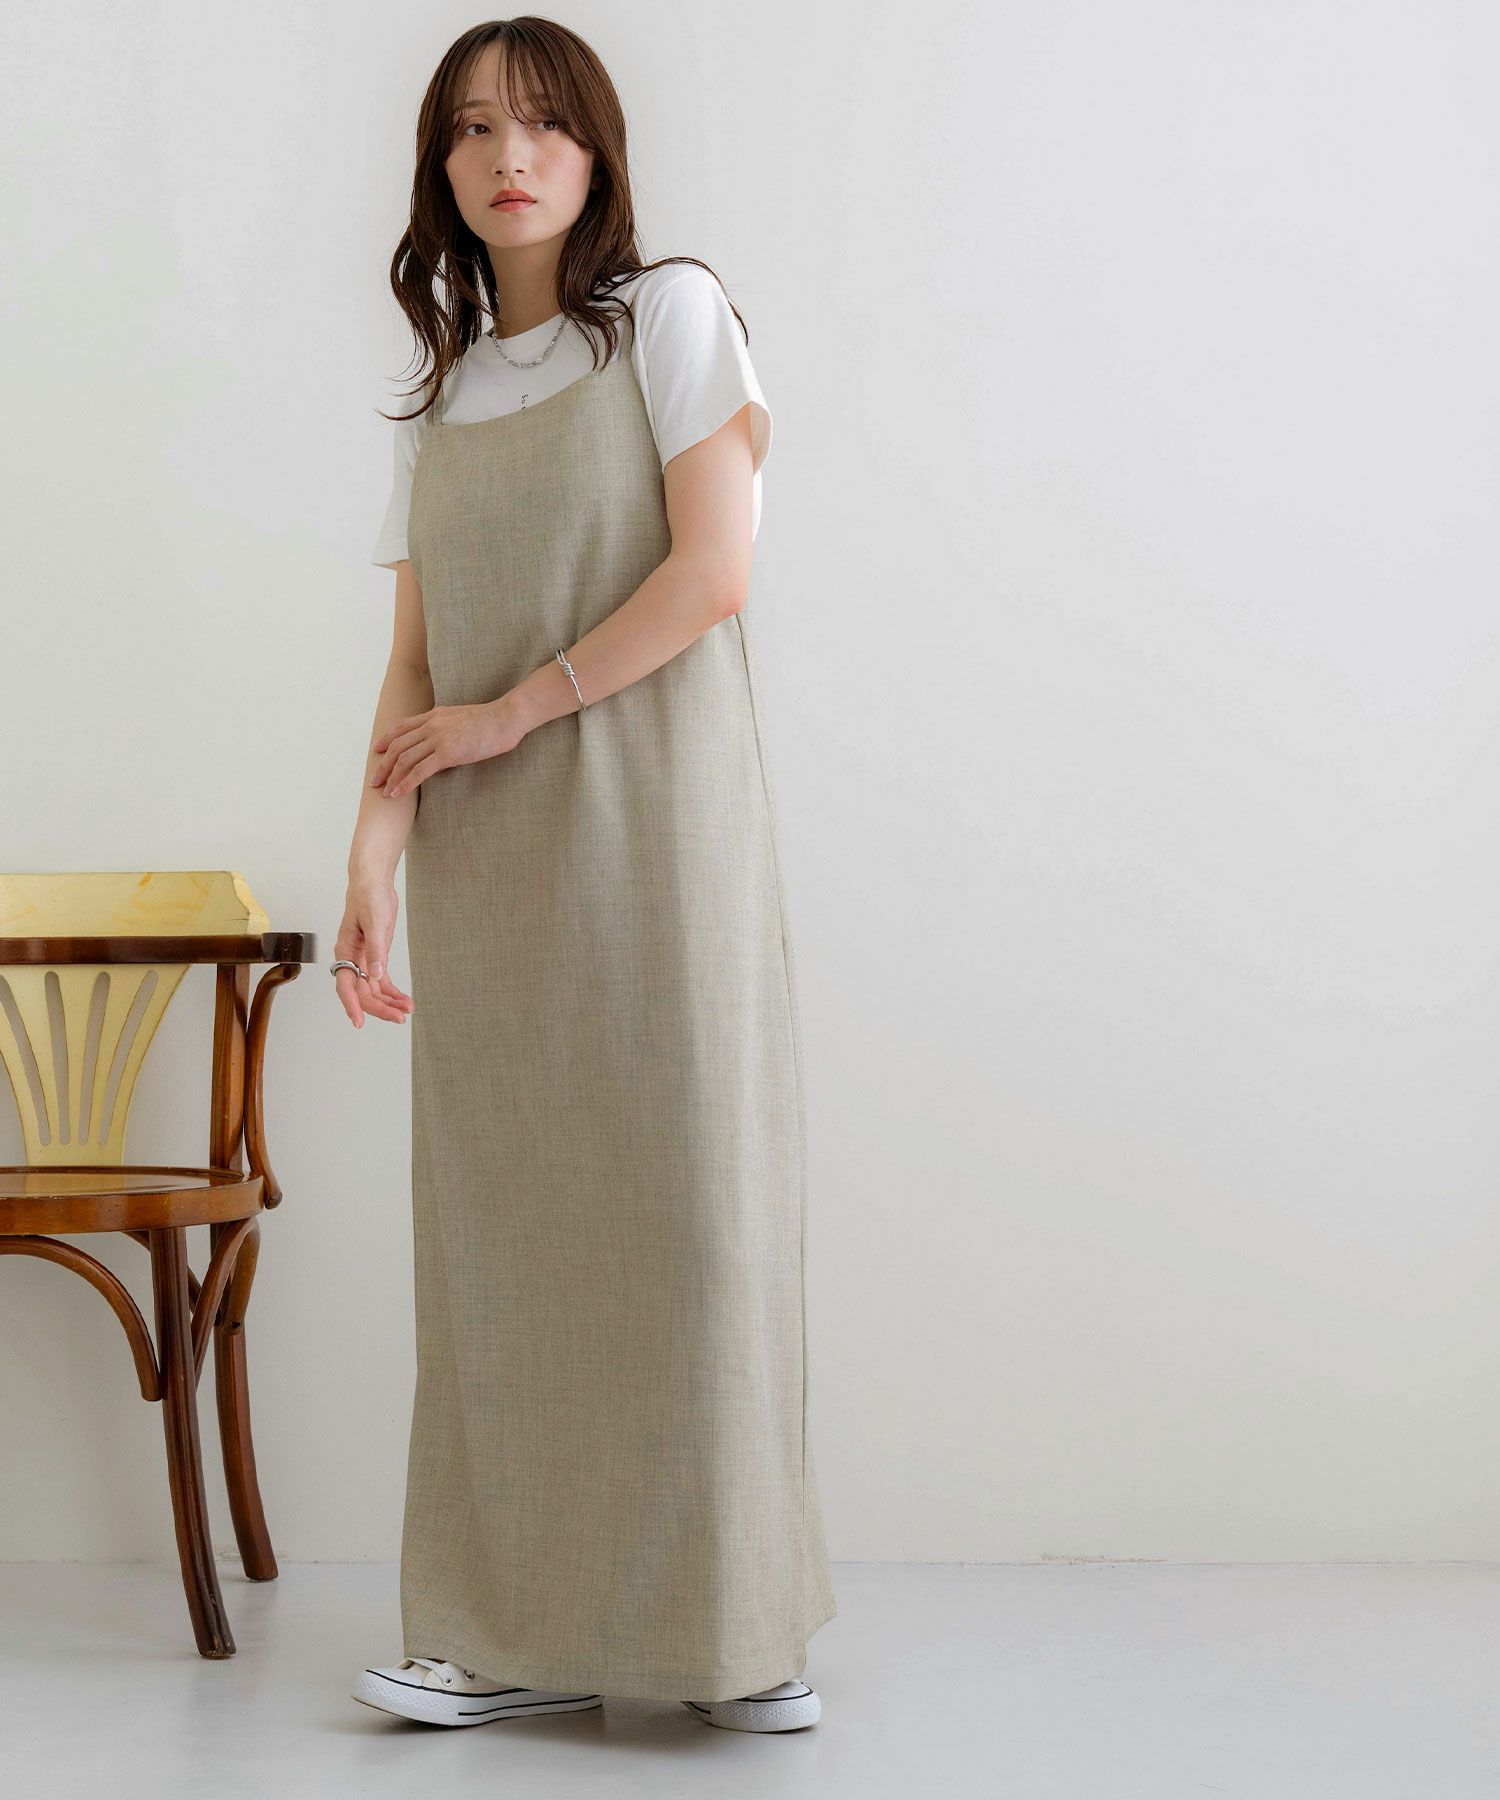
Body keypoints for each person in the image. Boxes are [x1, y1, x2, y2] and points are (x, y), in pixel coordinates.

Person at [336, 17, 837, 1736]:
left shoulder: (674, 317)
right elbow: (411, 670)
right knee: (506, 1242)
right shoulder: (439, 402)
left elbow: (713, 575)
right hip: (491, 869)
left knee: (693, 1220)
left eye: (543, 124)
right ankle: (503, 1631)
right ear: (440, 168)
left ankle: (737, 1636)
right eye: (473, 130)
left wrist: (510, 716)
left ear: (599, 153)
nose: (509, 158)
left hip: (661, 833)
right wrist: (373, 855)